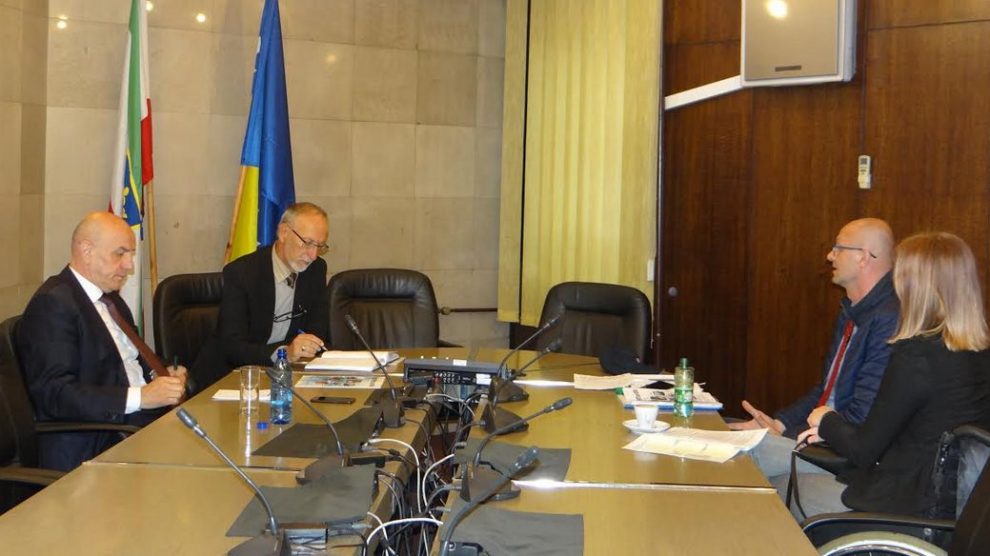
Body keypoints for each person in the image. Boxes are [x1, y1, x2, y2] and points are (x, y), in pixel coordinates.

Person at [793, 232, 990, 518]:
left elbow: (863, 449)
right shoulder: (980, 354)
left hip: (904, 509)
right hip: (959, 511)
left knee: (782, 485)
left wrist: (825, 420)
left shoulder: (916, 357)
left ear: (913, 287)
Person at [728, 218, 900, 480]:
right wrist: (779, 424)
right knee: (728, 431)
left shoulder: (889, 319)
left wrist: (788, 436)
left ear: (863, 257)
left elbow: (861, 417)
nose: (830, 256)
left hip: (843, 454)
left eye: (838, 248)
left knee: (739, 453)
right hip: (824, 435)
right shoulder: (852, 311)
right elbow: (826, 390)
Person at [17, 212, 188, 471]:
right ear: (87, 251)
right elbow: (55, 393)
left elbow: (129, 360)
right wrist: (141, 397)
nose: (129, 266)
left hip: (139, 423)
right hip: (98, 439)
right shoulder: (53, 303)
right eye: (120, 254)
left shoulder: (110, 299)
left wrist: (163, 373)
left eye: (131, 254)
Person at [192, 202, 330, 388]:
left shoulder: (316, 269)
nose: (313, 255)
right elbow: (233, 347)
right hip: (230, 377)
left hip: (284, 376)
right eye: (307, 243)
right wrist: (284, 353)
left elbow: (317, 330)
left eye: (320, 246)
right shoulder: (241, 273)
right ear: (284, 233)